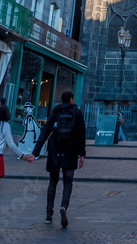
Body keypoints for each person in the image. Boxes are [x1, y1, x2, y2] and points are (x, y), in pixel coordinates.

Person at [29, 90, 86, 229]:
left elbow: (45, 132)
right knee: (68, 182)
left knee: (53, 182)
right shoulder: (77, 113)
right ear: (72, 99)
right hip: (70, 151)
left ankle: (49, 214)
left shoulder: (55, 112)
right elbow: (81, 134)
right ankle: (64, 206)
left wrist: (35, 152)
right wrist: (82, 154)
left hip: (55, 150)